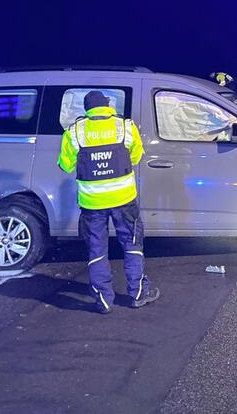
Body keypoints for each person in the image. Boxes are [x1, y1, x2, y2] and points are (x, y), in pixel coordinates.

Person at [57, 90, 160, 314]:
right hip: (124, 200)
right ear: (107, 105)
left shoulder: (74, 132)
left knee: (96, 249)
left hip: (92, 203)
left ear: (87, 109)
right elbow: (136, 156)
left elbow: (65, 165)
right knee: (132, 245)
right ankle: (138, 293)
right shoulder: (125, 127)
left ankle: (103, 300)